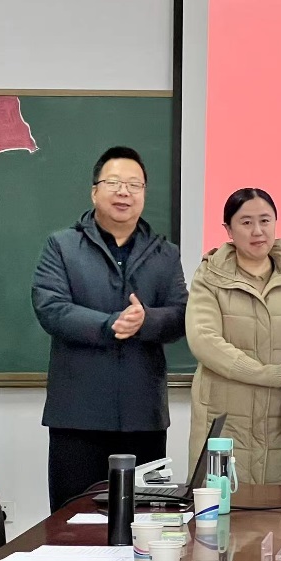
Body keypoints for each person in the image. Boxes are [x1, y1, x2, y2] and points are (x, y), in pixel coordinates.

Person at [32, 146, 188, 512]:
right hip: (77, 415)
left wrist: (146, 321)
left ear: (144, 194)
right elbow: (50, 308)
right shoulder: (62, 246)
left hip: (143, 416)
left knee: (144, 519)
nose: (124, 192)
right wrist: (109, 324)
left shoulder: (166, 254)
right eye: (114, 182)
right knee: (72, 521)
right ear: (94, 192)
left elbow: (182, 314)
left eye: (134, 185)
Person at [186, 188, 281, 484]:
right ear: (228, 230)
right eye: (246, 222)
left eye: (265, 220)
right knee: (222, 504)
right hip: (226, 420)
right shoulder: (209, 276)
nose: (258, 231)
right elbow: (204, 340)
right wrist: (266, 373)